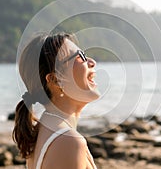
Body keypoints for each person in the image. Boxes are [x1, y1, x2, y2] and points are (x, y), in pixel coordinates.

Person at [13, 32, 100, 169]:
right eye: (80, 57)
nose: (92, 62)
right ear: (55, 80)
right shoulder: (68, 141)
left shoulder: (44, 128)